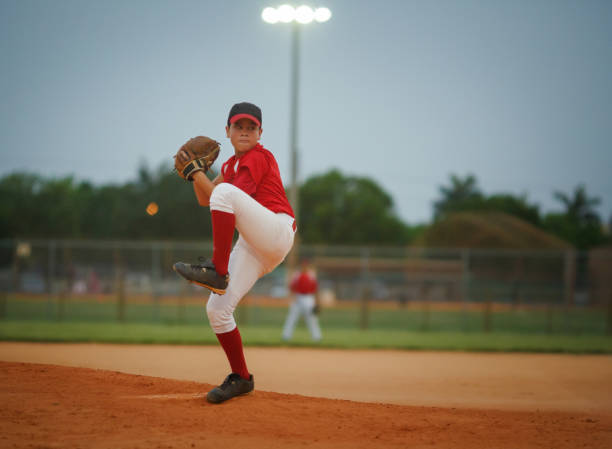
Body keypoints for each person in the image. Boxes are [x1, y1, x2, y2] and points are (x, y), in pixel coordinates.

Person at [173, 102, 296, 404]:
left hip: (277, 231)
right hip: (254, 246)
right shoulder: (228, 166)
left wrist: (196, 172)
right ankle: (241, 377)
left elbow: (221, 195)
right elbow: (207, 200)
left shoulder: (259, 157)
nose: (244, 131)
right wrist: (195, 175)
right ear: (227, 131)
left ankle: (217, 269)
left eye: (250, 127)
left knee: (225, 193)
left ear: (260, 133)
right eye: (238, 126)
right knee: (217, 310)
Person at [282, 259, 322, 342]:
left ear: (308, 266)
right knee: (292, 317)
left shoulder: (311, 275)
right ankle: (286, 336)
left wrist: (317, 301)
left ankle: (317, 337)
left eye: (306, 266)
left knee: (312, 318)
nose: (304, 267)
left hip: (308, 298)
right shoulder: (297, 275)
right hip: (298, 297)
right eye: (303, 265)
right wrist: (292, 297)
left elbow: (315, 289)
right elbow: (292, 287)